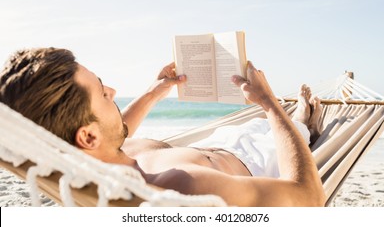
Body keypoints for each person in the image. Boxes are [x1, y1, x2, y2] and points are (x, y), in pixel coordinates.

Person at [0, 48, 325, 206]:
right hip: (257, 159)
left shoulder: (94, 161)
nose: (112, 90)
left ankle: (294, 113)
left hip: (218, 142)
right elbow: (309, 199)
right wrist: (268, 102)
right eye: (102, 92)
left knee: (258, 124)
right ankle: (302, 116)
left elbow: (117, 127)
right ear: (87, 136)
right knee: (293, 126)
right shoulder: (182, 188)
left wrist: (155, 91)